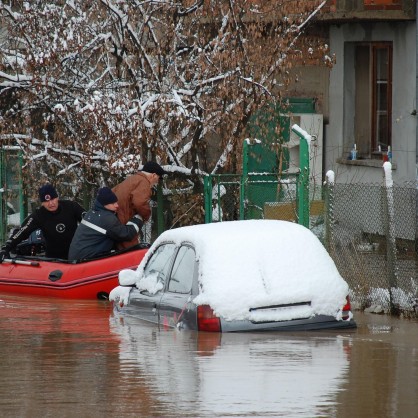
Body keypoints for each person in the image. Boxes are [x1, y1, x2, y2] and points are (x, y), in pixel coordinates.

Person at [0, 184, 85, 261]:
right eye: (46, 201)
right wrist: (6, 248)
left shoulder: (71, 206)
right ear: (42, 203)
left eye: (53, 199)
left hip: (76, 257)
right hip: (54, 260)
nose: (51, 203)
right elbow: (22, 231)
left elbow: (89, 222)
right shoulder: (39, 215)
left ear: (57, 197)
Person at [68, 187, 143, 261]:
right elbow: (126, 234)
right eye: (113, 203)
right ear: (104, 205)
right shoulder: (106, 218)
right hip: (86, 260)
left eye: (116, 202)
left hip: (76, 257)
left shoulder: (91, 213)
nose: (117, 205)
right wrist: (138, 218)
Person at [112, 161, 168, 249]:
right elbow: (139, 203)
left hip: (115, 220)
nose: (157, 181)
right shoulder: (144, 182)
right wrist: (146, 214)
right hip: (124, 224)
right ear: (153, 175)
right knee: (130, 252)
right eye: (158, 178)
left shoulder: (132, 179)